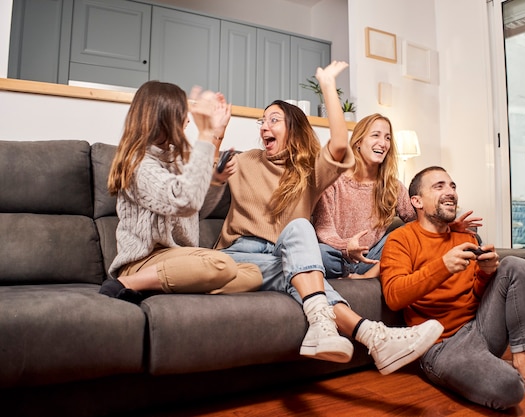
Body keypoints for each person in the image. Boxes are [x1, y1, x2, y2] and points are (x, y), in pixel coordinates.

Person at [211, 61, 443, 375]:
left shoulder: (309, 172)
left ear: (292, 127)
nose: (265, 125)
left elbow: (337, 144)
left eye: (274, 119)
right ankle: (373, 336)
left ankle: (337, 329)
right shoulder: (243, 160)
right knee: (305, 260)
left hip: (285, 257)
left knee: (299, 236)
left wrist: (328, 85)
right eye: (262, 121)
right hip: (242, 254)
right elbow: (203, 186)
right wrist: (215, 136)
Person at [379, 166, 525, 409]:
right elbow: (393, 296)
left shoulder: (466, 237)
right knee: (510, 389)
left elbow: (476, 293)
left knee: (517, 265)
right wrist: (442, 266)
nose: (450, 192)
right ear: (417, 201)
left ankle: (523, 364)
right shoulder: (400, 239)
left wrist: (486, 274)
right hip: (441, 346)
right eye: (439, 186)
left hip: (481, 328)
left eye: (452, 186)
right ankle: (498, 368)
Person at [99, 80, 262, 302]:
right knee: (221, 265)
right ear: (163, 118)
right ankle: (126, 283)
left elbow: (196, 210)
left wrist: (214, 181)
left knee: (253, 275)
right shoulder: (138, 163)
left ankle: (163, 285)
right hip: (142, 262)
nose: (187, 119)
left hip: (179, 258)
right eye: (182, 113)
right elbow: (184, 201)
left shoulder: (177, 157)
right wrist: (205, 134)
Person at [312, 113, 481, 279]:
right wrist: (347, 247)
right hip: (337, 258)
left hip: (371, 259)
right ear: (358, 142)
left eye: (387, 138)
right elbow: (324, 229)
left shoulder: (393, 186)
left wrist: (449, 226)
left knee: (403, 232)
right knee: (318, 253)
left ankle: (363, 275)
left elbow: (418, 219)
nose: (383, 143)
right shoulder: (334, 181)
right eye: (376, 135)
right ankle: (348, 274)